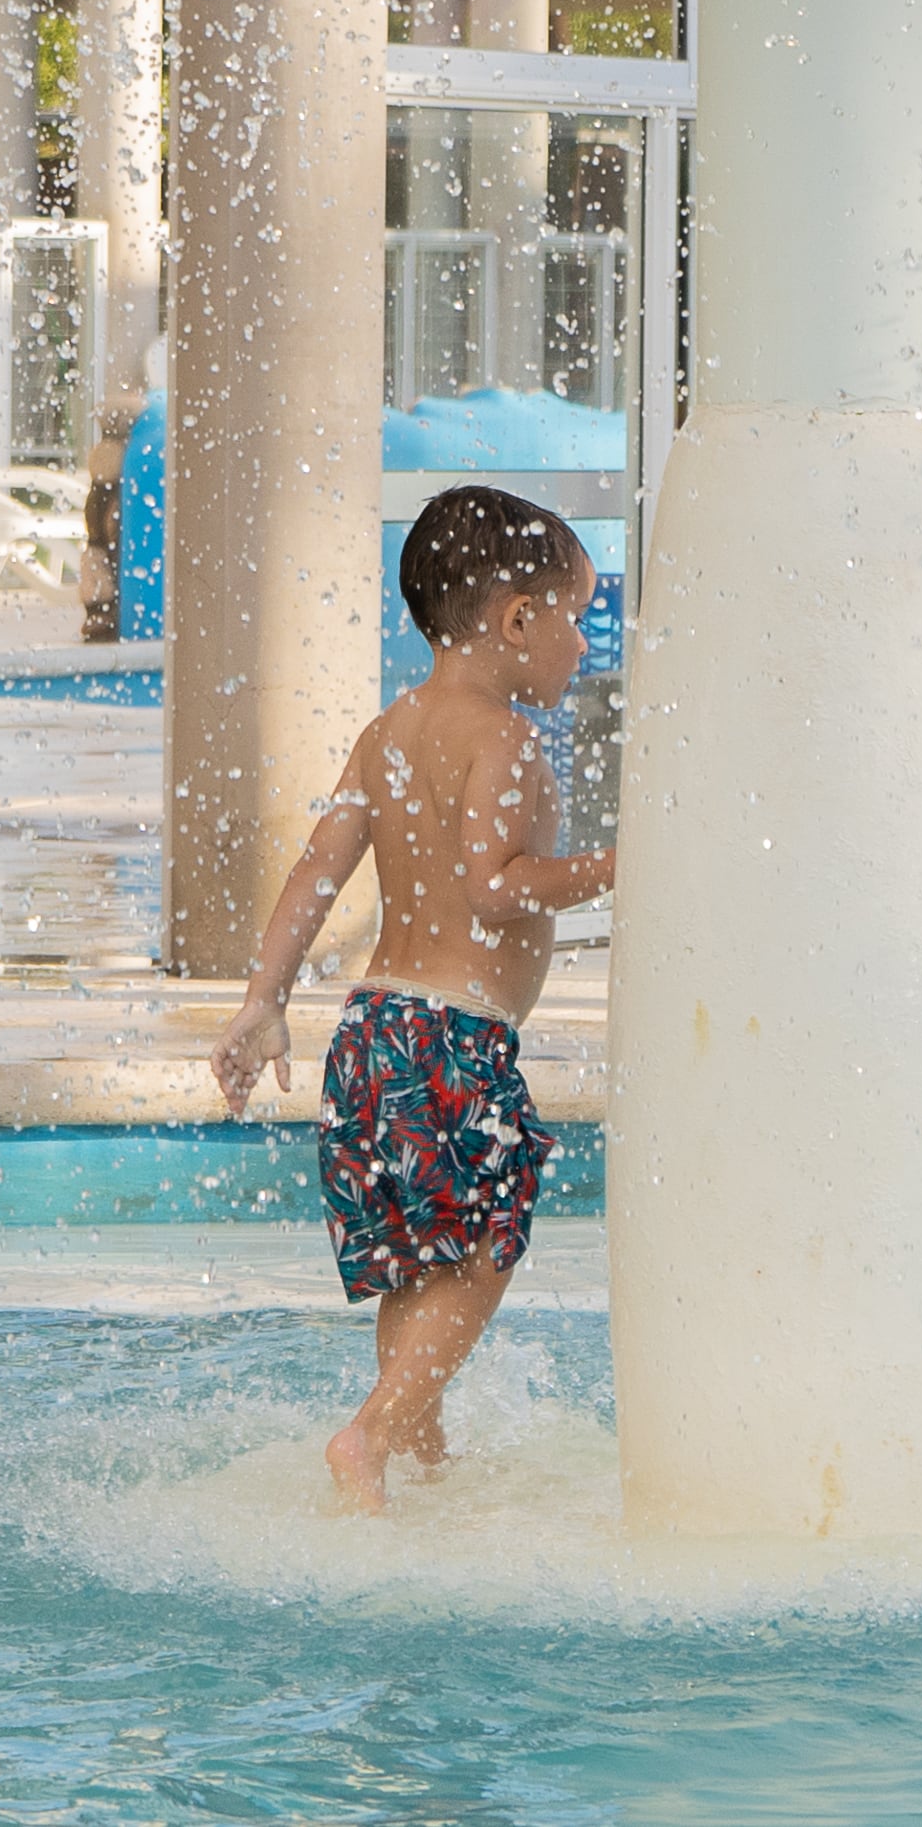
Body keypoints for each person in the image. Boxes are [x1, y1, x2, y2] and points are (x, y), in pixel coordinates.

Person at [208, 485, 616, 1510]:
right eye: (578, 614)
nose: (581, 642)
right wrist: (621, 862)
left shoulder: (385, 730)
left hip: (370, 1031)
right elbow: (496, 881)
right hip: (451, 1038)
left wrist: (262, 1002)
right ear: (519, 617)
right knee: (483, 1236)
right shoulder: (508, 739)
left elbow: (314, 872)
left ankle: (415, 1451)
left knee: (415, 1261)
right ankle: (373, 1432)